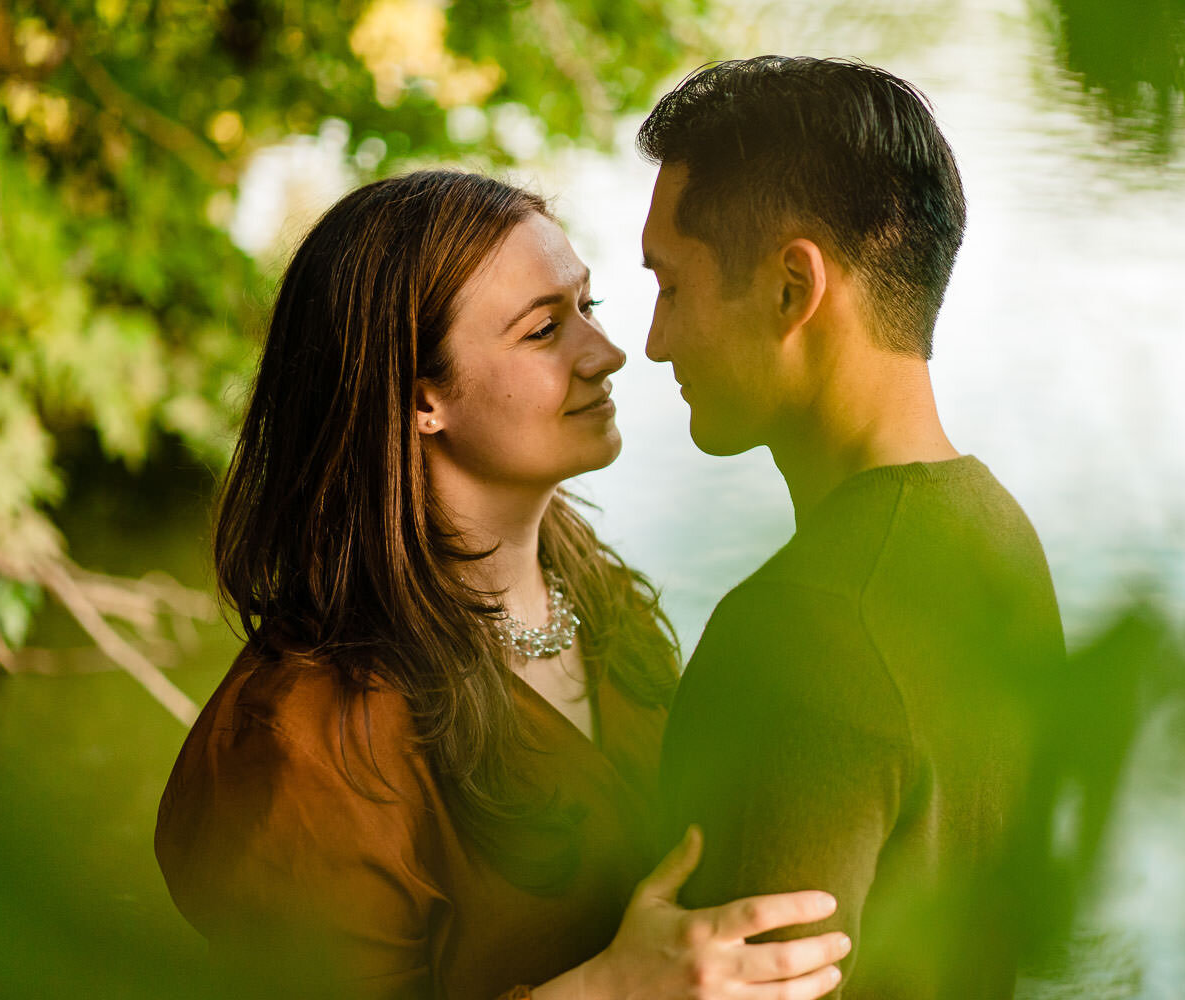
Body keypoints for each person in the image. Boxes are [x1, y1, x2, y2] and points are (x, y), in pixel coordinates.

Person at [154, 170, 852, 1000]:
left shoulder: (604, 602)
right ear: (422, 401)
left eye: (586, 309)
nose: (607, 354)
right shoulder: (300, 749)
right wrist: (612, 992)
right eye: (542, 331)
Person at [639, 57, 1067, 998]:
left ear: (795, 289)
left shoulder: (802, 629)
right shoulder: (999, 536)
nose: (654, 340)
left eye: (670, 286)